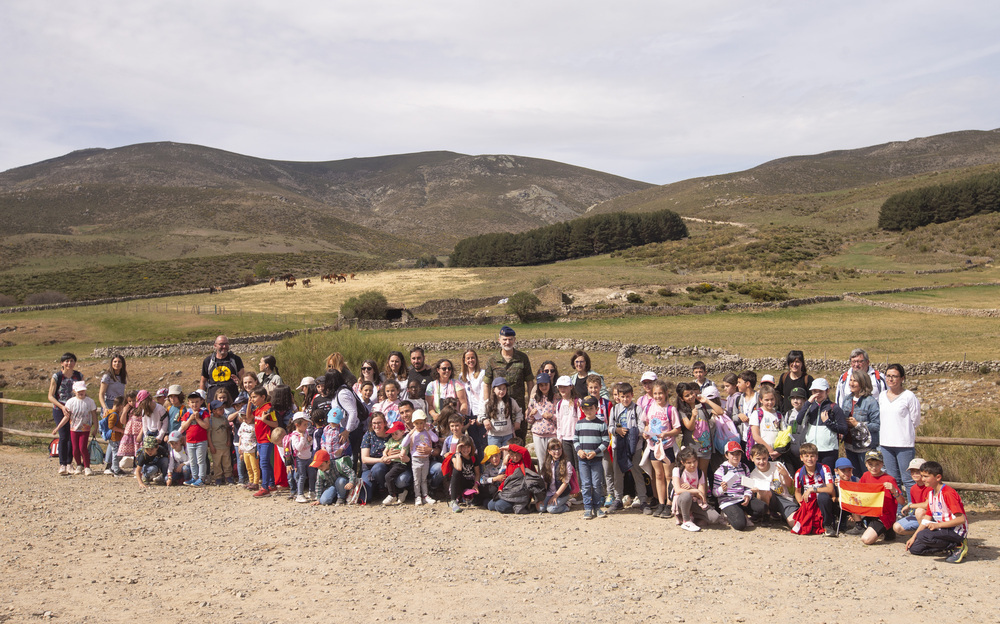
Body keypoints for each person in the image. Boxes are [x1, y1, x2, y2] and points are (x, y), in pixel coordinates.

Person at [905, 460, 969, 563]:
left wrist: (938, 526)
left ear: (938, 477)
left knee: (923, 536)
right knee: (915, 548)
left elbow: (961, 519)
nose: (923, 479)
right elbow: (927, 518)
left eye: (926, 476)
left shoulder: (948, 493)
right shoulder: (931, 493)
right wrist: (913, 537)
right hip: (943, 530)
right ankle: (947, 548)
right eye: (922, 476)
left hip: (955, 531)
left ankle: (958, 545)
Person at [482, 326, 533, 440]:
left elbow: (530, 382)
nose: (507, 342)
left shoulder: (522, 358)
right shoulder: (492, 360)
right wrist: (487, 406)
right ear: (499, 340)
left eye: (510, 339)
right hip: (497, 409)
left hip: (517, 407)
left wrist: (530, 404)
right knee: (497, 442)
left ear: (514, 340)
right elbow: (486, 383)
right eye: (504, 339)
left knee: (519, 440)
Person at [878, 364, 921, 499]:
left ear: (902, 378)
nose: (891, 379)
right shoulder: (882, 396)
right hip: (886, 443)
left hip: (904, 444)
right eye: (888, 376)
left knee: (908, 479)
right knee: (892, 479)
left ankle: (912, 508)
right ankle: (897, 510)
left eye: (894, 376)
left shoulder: (909, 396)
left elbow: (915, 419)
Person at [609, 382, 648, 513]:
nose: (625, 399)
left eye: (628, 396)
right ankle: (618, 499)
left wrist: (633, 432)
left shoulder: (637, 409)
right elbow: (610, 427)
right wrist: (617, 430)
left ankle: (643, 500)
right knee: (618, 474)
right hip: (618, 446)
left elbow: (642, 428)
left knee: (637, 472)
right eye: (622, 396)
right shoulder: (614, 409)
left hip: (635, 446)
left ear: (632, 395)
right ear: (618, 397)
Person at [645, 380, 681, 518]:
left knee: (668, 476)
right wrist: (645, 432)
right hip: (654, 446)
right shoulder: (650, 407)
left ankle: (669, 503)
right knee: (658, 475)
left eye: (660, 393)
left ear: (666, 394)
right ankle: (660, 503)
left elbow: (677, 429)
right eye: (655, 393)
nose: (658, 396)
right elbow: (648, 423)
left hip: (667, 446)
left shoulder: (671, 409)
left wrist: (667, 434)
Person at [798, 379, 848, 474]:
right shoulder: (810, 406)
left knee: (827, 477)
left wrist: (828, 422)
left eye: (820, 391)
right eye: (814, 391)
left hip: (828, 451)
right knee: (811, 477)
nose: (817, 394)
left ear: (827, 391)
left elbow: (844, 429)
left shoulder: (835, 408)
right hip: (811, 450)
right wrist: (808, 403)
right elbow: (799, 420)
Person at [857, 450, 906, 545]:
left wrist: (894, 491)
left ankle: (888, 526)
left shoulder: (889, 479)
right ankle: (887, 530)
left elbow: (902, 501)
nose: (874, 467)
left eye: (877, 464)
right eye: (870, 464)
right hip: (870, 512)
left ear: (882, 464)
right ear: (866, 464)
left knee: (866, 539)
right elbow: (858, 493)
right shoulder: (865, 476)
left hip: (884, 515)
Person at [713, 441, 764, 531]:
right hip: (728, 500)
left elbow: (748, 486)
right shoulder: (720, 471)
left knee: (762, 508)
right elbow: (715, 492)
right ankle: (729, 514)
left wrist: (747, 495)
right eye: (732, 454)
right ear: (726, 455)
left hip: (742, 498)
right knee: (740, 525)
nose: (735, 456)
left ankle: (743, 513)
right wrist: (722, 489)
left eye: (738, 454)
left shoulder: (744, 467)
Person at [51, 380, 98, 476]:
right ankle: (79, 464)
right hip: (74, 429)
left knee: (82, 448)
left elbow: (94, 415)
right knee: (75, 448)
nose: (81, 393)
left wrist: (96, 428)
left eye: (83, 391)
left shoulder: (90, 402)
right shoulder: (70, 402)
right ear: (74, 391)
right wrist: (57, 428)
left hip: (85, 429)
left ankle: (87, 466)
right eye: (79, 391)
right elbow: (66, 417)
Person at [839, 369, 880, 475]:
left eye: (855, 381)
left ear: (863, 383)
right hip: (849, 444)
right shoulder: (847, 399)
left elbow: (876, 425)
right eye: (850, 380)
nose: (851, 383)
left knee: (867, 476)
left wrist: (858, 424)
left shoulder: (871, 402)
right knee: (856, 476)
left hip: (864, 447)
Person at [791, 443, 837, 536]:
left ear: (816, 457)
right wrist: (801, 503)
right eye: (806, 456)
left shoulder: (824, 468)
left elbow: (830, 489)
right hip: (809, 503)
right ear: (801, 458)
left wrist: (812, 489)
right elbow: (797, 492)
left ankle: (828, 524)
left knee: (823, 497)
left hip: (823, 501)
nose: (809, 459)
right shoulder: (799, 473)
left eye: (812, 456)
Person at [48, 353, 83, 475]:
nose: (69, 363)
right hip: (60, 409)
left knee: (72, 436)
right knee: (63, 436)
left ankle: (69, 463)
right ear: (62, 363)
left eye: (72, 361)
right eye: (66, 361)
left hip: (75, 410)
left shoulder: (78, 376)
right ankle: (62, 464)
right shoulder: (57, 377)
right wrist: (62, 407)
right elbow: (50, 396)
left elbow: (82, 392)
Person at [748, 443, 798, 528]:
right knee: (764, 491)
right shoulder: (753, 475)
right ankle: (766, 515)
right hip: (768, 500)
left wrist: (785, 475)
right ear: (752, 459)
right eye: (758, 459)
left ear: (768, 457)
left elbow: (790, 485)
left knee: (795, 524)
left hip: (784, 499)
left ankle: (783, 515)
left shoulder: (777, 465)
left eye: (764, 458)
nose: (761, 462)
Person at [575, 395, 609, 520]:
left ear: (596, 408)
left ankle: (597, 507)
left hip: (596, 459)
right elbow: (575, 440)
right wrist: (579, 450)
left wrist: (596, 452)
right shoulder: (579, 424)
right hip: (583, 460)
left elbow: (606, 441)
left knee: (596, 484)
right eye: (585, 409)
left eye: (591, 408)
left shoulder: (601, 424)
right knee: (585, 484)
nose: (588, 411)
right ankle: (587, 508)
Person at [671, 447, 720, 531]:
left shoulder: (700, 473)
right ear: (683, 462)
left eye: (694, 461)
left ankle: (694, 518)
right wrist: (695, 491)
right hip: (682, 501)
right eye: (689, 462)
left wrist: (691, 488)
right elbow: (678, 490)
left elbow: (702, 494)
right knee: (686, 495)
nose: (693, 465)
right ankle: (686, 520)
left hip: (696, 501)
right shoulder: (677, 470)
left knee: (715, 518)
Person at [402, 409, 439, 505]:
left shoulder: (427, 432)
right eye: (417, 423)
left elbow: (435, 439)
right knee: (416, 479)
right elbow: (404, 444)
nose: (419, 425)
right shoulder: (413, 434)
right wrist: (410, 433)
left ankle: (425, 495)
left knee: (423, 479)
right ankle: (417, 496)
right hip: (415, 459)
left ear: (425, 422)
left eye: (421, 423)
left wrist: (428, 430)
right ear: (413, 423)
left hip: (425, 459)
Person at [250, 387, 279, 497]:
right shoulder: (257, 409)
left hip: (267, 440)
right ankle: (271, 484)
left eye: (254, 397)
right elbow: (249, 418)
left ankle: (265, 487)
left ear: (263, 397)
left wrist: (264, 420)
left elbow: (275, 424)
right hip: (260, 441)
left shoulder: (269, 409)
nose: (252, 399)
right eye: (251, 397)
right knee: (265, 462)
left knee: (264, 463)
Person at [200, 335, 245, 405]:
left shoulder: (236, 360)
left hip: (232, 402)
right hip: (212, 401)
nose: (224, 346)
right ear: (215, 345)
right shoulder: (208, 361)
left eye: (226, 344)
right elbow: (203, 381)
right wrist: (201, 401)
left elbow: (243, 379)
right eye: (221, 344)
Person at [179, 391, 210, 487]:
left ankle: (201, 478)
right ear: (188, 403)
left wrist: (197, 419)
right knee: (192, 460)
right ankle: (194, 477)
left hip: (201, 441)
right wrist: (190, 419)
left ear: (201, 402)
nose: (194, 404)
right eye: (192, 402)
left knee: (200, 460)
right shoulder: (187, 414)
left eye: (197, 401)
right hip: (190, 441)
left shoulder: (203, 413)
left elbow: (206, 426)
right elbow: (183, 427)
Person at [481, 377, 523, 448]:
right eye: (499, 388)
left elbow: (519, 412)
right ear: (494, 389)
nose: (502, 391)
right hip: (493, 436)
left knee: (507, 456)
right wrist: (484, 420)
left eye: (504, 388)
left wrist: (518, 421)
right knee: (494, 456)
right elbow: (481, 414)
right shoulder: (488, 403)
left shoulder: (510, 401)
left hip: (508, 435)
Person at [894, 458, 930, 537]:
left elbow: (927, 505)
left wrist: (909, 505)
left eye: (918, 471)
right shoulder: (913, 488)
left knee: (919, 511)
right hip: (919, 516)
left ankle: (925, 536)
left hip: (931, 516)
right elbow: (915, 504)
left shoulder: (930, 486)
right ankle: (921, 533)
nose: (914, 474)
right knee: (897, 527)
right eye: (912, 471)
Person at [426, 358, 469, 424]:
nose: (447, 370)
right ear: (438, 370)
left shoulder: (457, 384)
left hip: (454, 422)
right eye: (444, 369)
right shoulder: (431, 385)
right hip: (438, 421)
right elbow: (429, 405)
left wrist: (461, 416)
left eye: (449, 368)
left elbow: (463, 403)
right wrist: (434, 415)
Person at [527, 372, 557, 464]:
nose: (544, 387)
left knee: (554, 460)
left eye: (546, 384)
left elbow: (561, 418)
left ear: (550, 384)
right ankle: (543, 478)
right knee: (542, 461)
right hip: (537, 434)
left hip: (552, 434)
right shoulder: (534, 399)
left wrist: (551, 416)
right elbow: (529, 420)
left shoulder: (556, 399)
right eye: (541, 385)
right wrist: (531, 415)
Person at [539, 438, 575, 513]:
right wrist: (543, 497)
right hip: (550, 492)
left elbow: (565, 483)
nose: (557, 452)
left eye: (559, 449)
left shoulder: (567, 464)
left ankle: (567, 505)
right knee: (541, 508)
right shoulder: (546, 464)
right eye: (554, 450)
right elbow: (545, 481)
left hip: (562, 493)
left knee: (551, 509)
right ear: (549, 451)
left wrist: (555, 496)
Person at [447, 435, 479, 513]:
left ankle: (467, 497)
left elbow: (477, 473)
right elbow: (458, 468)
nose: (466, 450)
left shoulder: (474, 457)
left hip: (470, 482)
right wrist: (457, 452)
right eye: (463, 447)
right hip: (459, 483)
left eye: (468, 447)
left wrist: (476, 485)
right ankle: (453, 500)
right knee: (456, 471)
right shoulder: (455, 456)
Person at [288, 413, 314, 503]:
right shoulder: (295, 436)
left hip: (308, 456)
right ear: (297, 425)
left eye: (307, 424)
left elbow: (308, 445)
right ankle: (300, 494)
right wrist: (303, 439)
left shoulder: (305, 433)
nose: (306, 426)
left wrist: (310, 441)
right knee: (302, 476)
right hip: (300, 459)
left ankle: (312, 491)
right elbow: (298, 448)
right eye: (304, 424)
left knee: (312, 474)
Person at [237, 407, 260, 490]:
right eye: (243, 418)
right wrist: (240, 447)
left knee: (255, 467)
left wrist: (258, 449)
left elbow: (258, 438)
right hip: (245, 449)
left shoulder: (255, 426)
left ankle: (256, 482)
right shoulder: (243, 425)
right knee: (248, 466)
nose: (245, 420)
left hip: (253, 449)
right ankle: (250, 480)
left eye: (246, 418)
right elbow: (241, 436)